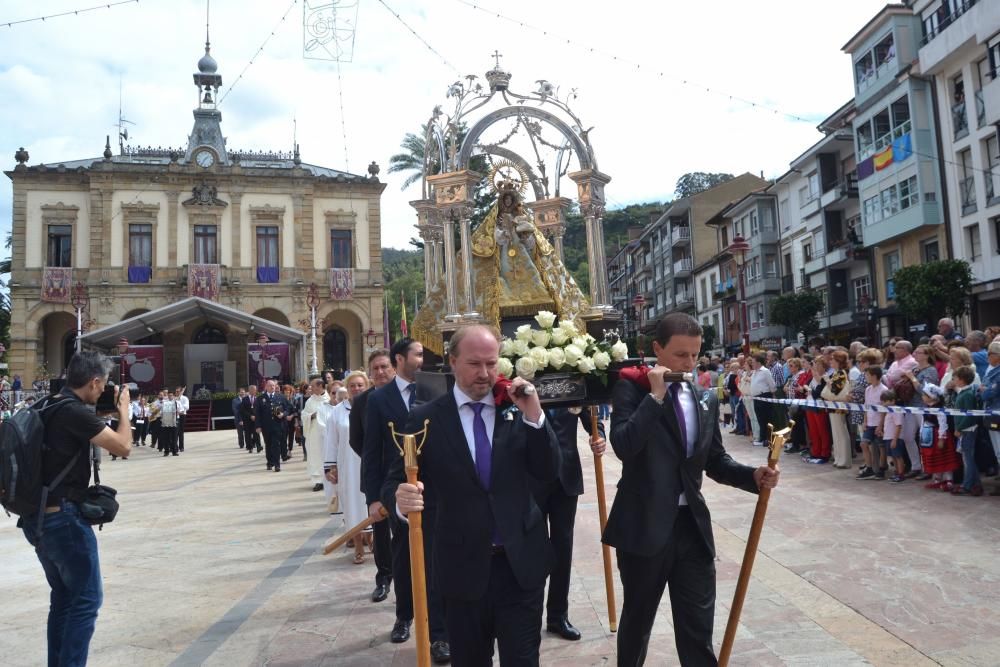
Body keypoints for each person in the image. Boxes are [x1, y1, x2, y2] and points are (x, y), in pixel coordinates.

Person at [602, 313, 780, 666]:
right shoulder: (630, 389)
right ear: (657, 349)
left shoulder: (704, 398)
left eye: (695, 354)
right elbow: (624, 445)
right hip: (643, 527)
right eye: (681, 354)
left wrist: (752, 477)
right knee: (637, 622)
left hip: (692, 529)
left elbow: (715, 460)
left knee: (697, 628)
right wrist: (654, 398)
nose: (690, 362)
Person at [389, 325, 559, 666]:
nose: (484, 374)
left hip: (519, 565)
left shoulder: (517, 410)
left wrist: (535, 416)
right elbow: (398, 479)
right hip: (460, 569)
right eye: (474, 364)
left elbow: (547, 470)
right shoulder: (425, 420)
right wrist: (401, 500)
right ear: (452, 362)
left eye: (491, 363)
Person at [19, 351, 133, 667]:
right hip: (65, 521)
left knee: (64, 600)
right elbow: (123, 447)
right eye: (104, 384)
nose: (104, 390)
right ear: (94, 381)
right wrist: (124, 410)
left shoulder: (45, 404)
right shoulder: (74, 412)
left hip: (37, 518)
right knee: (86, 601)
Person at [364, 337, 450, 660]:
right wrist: (374, 498)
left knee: (435, 563)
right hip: (397, 490)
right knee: (402, 561)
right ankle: (404, 616)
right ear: (400, 358)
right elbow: (372, 452)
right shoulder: (379, 399)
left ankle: (439, 635)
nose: (422, 359)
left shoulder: (433, 390)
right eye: (417, 354)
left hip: (433, 491)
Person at [532, 407, 605, 642]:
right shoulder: (525, 377)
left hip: (566, 475)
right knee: (533, 549)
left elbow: (592, 419)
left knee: (563, 548)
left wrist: (599, 436)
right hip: (531, 479)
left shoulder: (572, 379)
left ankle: (557, 615)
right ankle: (530, 616)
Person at [350, 349, 395, 604]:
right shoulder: (362, 402)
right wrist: (375, 461)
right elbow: (356, 439)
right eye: (375, 368)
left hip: (404, 478)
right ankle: (384, 577)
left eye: (384, 367)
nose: (379, 372)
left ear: (394, 367)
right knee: (380, 529)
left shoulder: (408, 396)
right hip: (376, 476)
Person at [326, 371, 371, 564]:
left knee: (371, 503)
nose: (356, 388)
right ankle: (358, 546)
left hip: (369, 463)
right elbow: (331, 441)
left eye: (360, 385)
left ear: (366, 386)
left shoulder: (374, 406)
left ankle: (374, 540)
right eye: (352, 385)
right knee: (352, 505)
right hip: (348, 467)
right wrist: (330, 467)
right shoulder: (338, 412)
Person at [951, 366, 984, 496]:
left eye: (955, 378)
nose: (953, 379)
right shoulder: (964, 392)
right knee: (968, 458)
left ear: (961, 380)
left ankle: (967, 485)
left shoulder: (967, 394)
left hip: (967, 430)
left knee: (968, 459)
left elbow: (969, 415)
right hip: (965, 429)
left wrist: (959, 428)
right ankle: (976, 485)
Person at [822, 350, 853, 470]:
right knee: (836, 433)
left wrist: (827, 381)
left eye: (833, 359)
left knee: (841, 432)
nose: (830, 362)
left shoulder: (841, 373)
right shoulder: (837, 373)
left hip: (839, 406)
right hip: (833, 406)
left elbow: (835, 390)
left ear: (838, 361)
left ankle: (844, 460)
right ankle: (838, 458)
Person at [857, 366, 888, 480]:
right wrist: (865, 421)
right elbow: (866, 406)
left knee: (881, 447)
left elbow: (884, 410)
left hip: (879, 423)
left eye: (867, 375)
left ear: (874, 376)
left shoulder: (884, 390)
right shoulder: (868, 389)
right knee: (864, 444)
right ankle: (869, 468)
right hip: (869, 422)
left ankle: (881, 469)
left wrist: (880, 425)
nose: (866, 377)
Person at [256, 379, 292, 472]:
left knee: (276, 444)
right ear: (266, 387)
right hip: (266, 426)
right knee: (268, 444)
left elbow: (288, 408)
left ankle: (277, 464)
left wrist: (283, 414)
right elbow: (257, 414)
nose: (272, 387)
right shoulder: (260, 398)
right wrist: (258, 426)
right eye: (270, 386)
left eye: (273, 386)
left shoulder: (280, 397)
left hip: (277, 425)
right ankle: (269, 462)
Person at [301, 379, 329, 492]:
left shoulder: (329, 399)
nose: (310, 388)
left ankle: (328, 479)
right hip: (313, 433)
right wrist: (312, 415)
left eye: (313, 386)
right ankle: (318, 481)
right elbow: (304, 414)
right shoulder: (310, 401)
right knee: (315, 456)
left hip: (326, 434)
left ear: (320, 386)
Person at [748, 353, 776, 447]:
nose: (752, 364)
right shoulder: (754, 372)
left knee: (767, 419)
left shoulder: (765, 371)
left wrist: (771, 394)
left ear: (759, 362)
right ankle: (762, 438)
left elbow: (772, 385)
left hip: (764, 397)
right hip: (756, 398)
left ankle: (769, 439)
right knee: (760, 419)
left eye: (753, 362)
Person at [241, 385, 262, 453]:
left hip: (256, 419)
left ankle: (258, 446)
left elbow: (260, 409)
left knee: (256, 433)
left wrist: (256, 416)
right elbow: (243, 410)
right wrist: (250, 416)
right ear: (249, 390)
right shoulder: (244, 399)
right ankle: (250, 447)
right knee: (248, 434)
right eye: (252, 389)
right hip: (248, 420)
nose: (254, 391)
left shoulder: (258, 399)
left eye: (255, 390)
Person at [159, 390, 179, 456]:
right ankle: (166, 451)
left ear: (173, 396)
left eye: (171, 395)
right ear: (167, 396)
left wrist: (177, 412)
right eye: (169, 395)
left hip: (174, 422)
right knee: (166, 438)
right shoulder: (164, 403)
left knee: (174, 438)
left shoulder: (177, 402)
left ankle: (174, 451)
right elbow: (161, 412)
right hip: (166, 422)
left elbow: (180, 410)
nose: (170, 396)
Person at [175, 386, 188, 452]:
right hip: (175, 416)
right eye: (176, 391)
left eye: (178, 391)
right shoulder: (175, 398)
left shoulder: (185, 398)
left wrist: (180, 408)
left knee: (181, 432)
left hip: (182, 416)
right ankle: (175, 447)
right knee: (175, 432)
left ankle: (181, 447)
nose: (177, 392)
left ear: (181, 392)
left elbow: (187, 407)